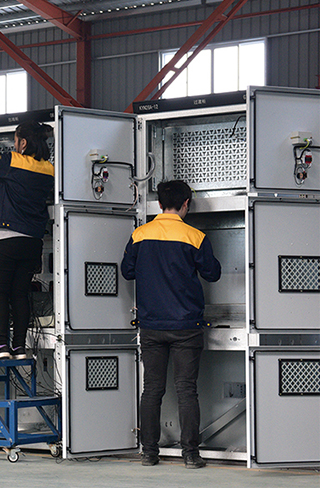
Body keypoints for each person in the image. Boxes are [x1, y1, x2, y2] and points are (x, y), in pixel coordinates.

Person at [121, 180, 220, 469]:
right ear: (186, 203)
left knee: (152, 390)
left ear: (159, 204)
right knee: (186, 390)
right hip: (186, 326)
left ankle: (149, 453)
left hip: (151, 325)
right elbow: (213, 273)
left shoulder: (140, 234)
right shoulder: (195, 236)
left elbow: (127, 271)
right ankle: (191, 454)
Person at [0, 122, 54, 361]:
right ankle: (18, 346)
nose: (14, 145)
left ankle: (0, 345)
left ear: (23, 142)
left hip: (5, 239)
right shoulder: (48, 169)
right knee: (20, 294)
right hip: (32, 242)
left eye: (15, 140)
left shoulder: (14, 161)